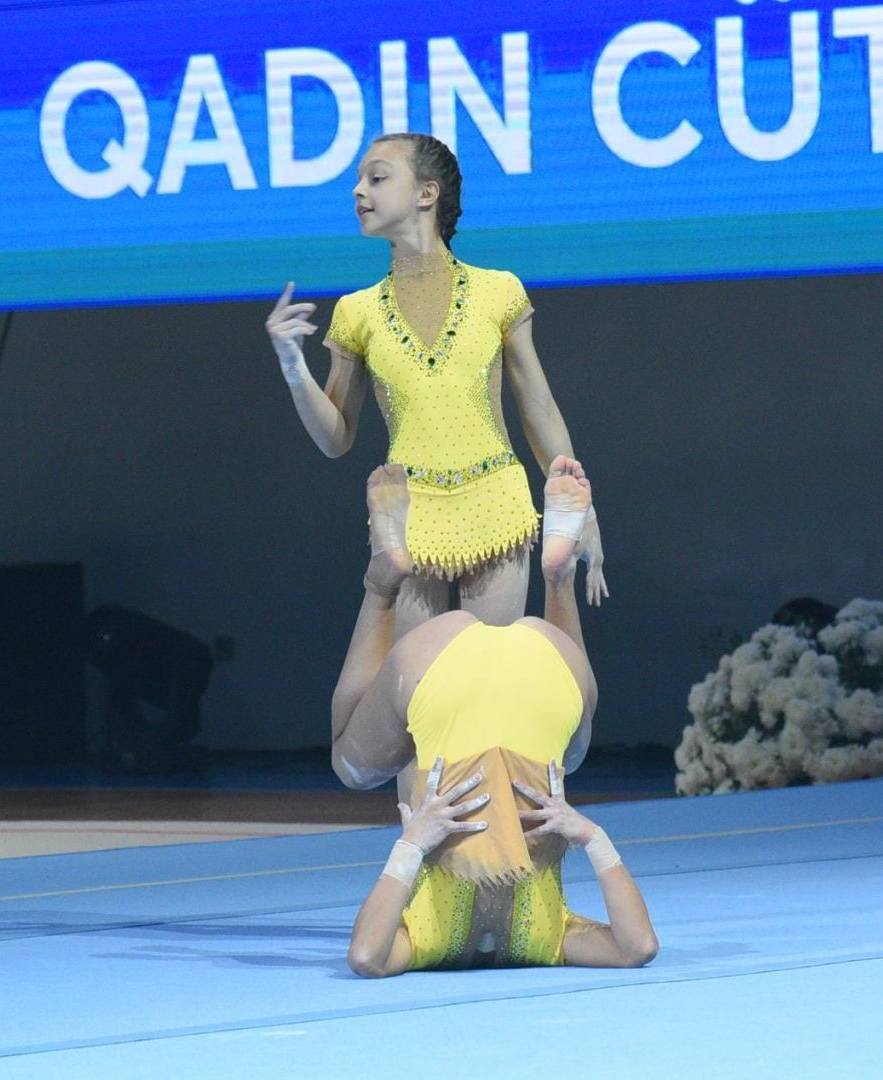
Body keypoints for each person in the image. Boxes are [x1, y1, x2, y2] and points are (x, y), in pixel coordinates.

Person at [265, 132, 608, 645]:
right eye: (358, 181)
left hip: (497, 507)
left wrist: (584, 511)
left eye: (377, 178)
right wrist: (292, 364)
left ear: (427, 194)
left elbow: (538, 407)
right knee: (418, 694)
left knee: (489, 684)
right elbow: (335, 438)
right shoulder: (356, 312)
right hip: (408, 518)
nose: (358, 192)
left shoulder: (499, 290)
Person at [331, 455, 658, 976]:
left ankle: (557, 581)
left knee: (571, 754)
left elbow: (637, 946)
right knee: (350, 763)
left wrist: (590, 835)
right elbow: (367, 957)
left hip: (545, 670)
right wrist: (410, 844)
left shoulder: (549, 938)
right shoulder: (441, 942)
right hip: (446, 674)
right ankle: (383, 584)